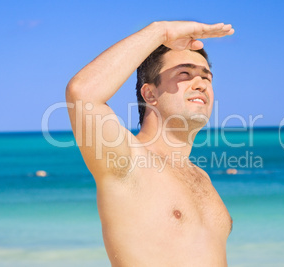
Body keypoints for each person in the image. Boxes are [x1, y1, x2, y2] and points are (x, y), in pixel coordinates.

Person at [66, 21, 234, 266]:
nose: (201, 84)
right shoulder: (128, 160)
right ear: (150, 94)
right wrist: (161, 32)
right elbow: (82, 93)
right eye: (185, 74)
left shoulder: (202, 178)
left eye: (206, 77)